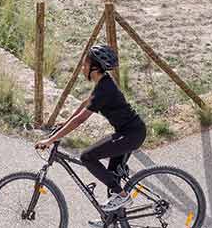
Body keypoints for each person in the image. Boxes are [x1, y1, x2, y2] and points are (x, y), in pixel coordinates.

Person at [35, 45, 146, 225]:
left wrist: (50, 140)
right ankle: (111, 219)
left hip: (130, 134)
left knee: (87, 157)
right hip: (129, 132)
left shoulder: (104, 90)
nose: (82, 68)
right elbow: (84, 106)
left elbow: (80, 120)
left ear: (94, 68)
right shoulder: (103, 83)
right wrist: (64, 124)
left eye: (85, 64)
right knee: (112, 178)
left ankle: (123, 195)